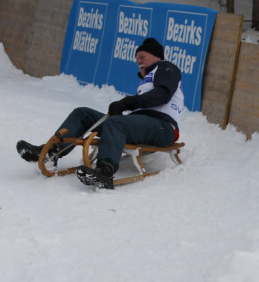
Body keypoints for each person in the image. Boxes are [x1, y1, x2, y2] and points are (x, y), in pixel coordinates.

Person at [16, 38, 184, 189]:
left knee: (116, 123)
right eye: (136, 58)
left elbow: (163, 94)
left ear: (156, 56)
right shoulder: (148, 79)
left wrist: (129, 102)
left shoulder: (166, 67)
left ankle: (105, 170)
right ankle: (51, 153)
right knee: (83, 114)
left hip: (163, 127)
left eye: (142, 56)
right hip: (140, 126)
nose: (138, 61)